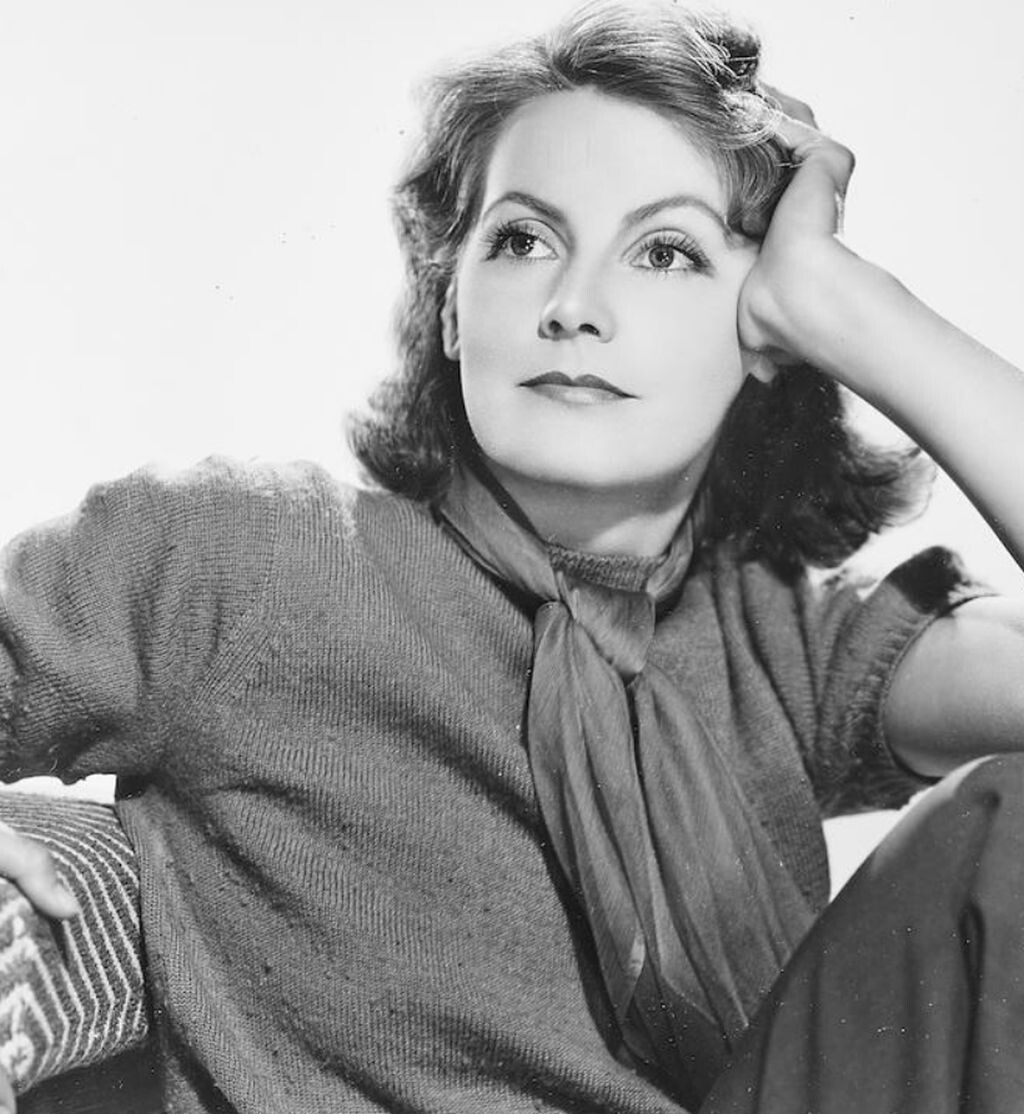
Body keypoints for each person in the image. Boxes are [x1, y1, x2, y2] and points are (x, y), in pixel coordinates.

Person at [0, 1, 1023, 1111]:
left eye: (666, 252)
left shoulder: (787, 646)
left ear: (766, 331)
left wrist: (853, 308)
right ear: (452, 307)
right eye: (523, 241)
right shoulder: (243, 558)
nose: (573, 307)